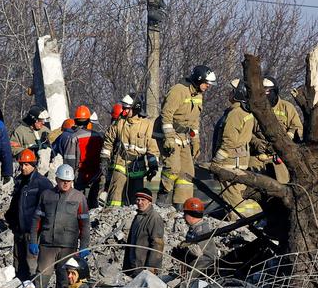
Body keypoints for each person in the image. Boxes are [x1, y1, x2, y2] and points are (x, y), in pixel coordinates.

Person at [29, 164, 91, 288]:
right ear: (57, 179)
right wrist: (33, 240)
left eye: (68, 181)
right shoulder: (46, 195)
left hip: (68, 247)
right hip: (47, 246)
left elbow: (84, 224)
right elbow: (36, 220)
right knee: (41, 276)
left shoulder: (79, 198)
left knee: (65, 279)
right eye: (63, 180)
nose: (66, 183)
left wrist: (84, 246)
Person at [160, 64, 216, 207]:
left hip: (184, 137)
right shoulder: (178, 91)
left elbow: (195, 120)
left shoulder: (198, 95)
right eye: (206, 83)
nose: (208, 87)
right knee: (173, 168)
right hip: (171, 134)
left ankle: (180, 205)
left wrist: (195, 141)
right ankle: (162, 197)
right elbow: (166, 115)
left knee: (187, 173)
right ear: (198, 80)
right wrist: (169, 138)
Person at [100, 95, 160, 208]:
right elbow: (108, 142)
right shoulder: (119, 123)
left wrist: (153, 166)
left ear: (136, 108)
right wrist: (104, 159)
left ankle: (134, 216)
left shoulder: (147, 125)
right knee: (116, 193)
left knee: (136, 196)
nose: (124, 111)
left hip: (138, 166)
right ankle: (113, 213)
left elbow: (153, 148)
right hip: (120, 162)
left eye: (127, 108)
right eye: (123, 108)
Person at [5, 148, 52, 281]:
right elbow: (15, 205)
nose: (23, 168)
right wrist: (11, 221)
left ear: (33, 164)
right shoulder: (20, 182)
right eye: (21, 164)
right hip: (19, 230)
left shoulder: (42, 183)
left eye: (26, 164)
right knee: (18, 264)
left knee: (32, 265)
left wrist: (41, 230)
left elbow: (46, 209)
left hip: (33, 232)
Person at [212, 81, 257, 213]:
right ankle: (249, 218)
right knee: (239, 192)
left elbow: (229, 140)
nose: (229, 93)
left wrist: (217, 160)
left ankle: (238, 220)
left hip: (231, 161)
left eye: (232, 91)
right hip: (240, 159)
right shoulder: (245, 112)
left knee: (231, 194)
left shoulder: (235, 113)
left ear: (238, 94)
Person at [255, 76, 304, 184]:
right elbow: (249, 132)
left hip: (281, 160)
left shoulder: (287, 107)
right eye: (262, 91)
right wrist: (257, 143)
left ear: (274, 91)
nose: (265, 94)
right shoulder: (256, 108)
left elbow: (297, 127)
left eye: (267, 91)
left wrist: (287, 139)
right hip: (259, 159)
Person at [53, 105, 103, 199]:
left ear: (75, 121)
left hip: (80, 175)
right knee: (93, 199)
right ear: (89, 121)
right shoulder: (98, 136)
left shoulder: (73, 137)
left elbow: (69, 160)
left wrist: (69, 178)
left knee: (78, 200)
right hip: (96, 173)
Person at [174, 197, 220, 278]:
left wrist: (191, 276)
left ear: (191, 215)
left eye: (185, 214)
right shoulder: (194, 228)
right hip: (192, 266)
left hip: (201, 270)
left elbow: (206, 258)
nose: (184, 217)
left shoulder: (202, 232)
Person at [122, 188, 165, 275]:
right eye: (138, 200)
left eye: (143, 200)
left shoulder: (154, 218)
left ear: (149, 202)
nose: (140, 202)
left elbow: (157, 244)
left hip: (145, 268)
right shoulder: (138, 216)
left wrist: (151, 267)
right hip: (134, 266)